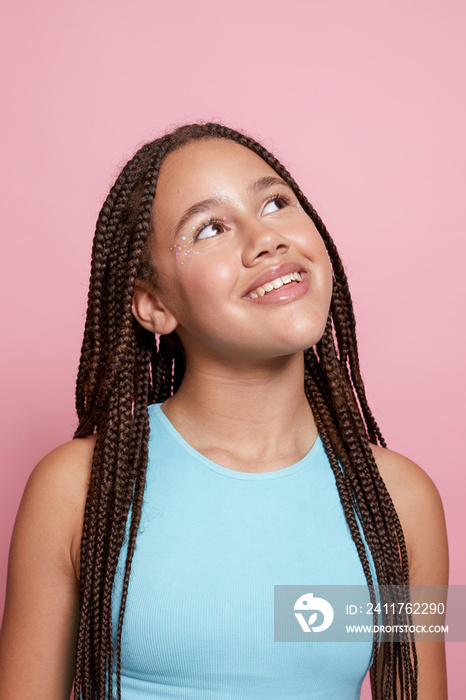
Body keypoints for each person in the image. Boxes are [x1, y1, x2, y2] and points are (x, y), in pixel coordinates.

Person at [0, 123, 448, 699]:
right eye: (210, 227)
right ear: (154, 304)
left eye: (276, 202)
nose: (266, 238)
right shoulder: (74, 488)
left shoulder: (404, 501)